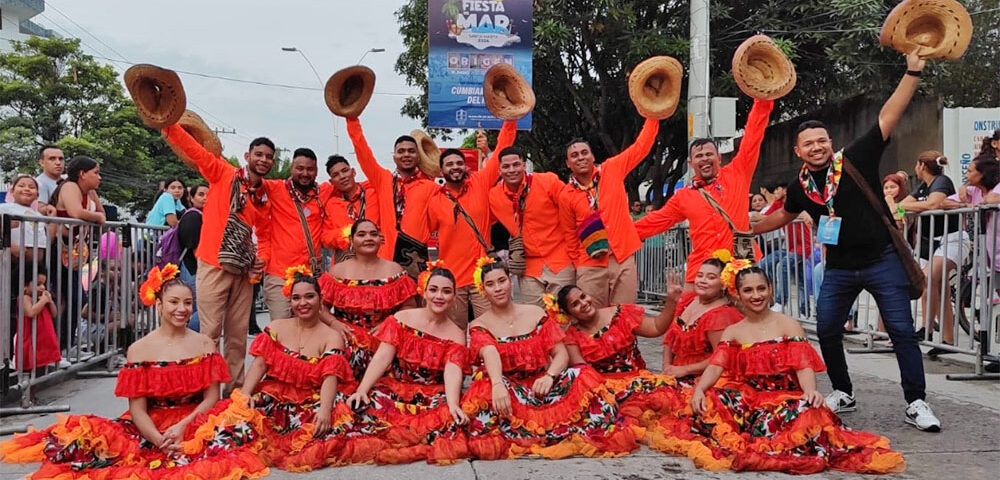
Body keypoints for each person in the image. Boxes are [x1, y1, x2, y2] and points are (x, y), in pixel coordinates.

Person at [752, 49, 940, 431]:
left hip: (882, 260)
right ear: (798, 151)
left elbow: (889, 115)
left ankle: (916, 401)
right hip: (838, 269)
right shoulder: (800, 187)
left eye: (822, 141)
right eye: (809, 144)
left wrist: (913, 71)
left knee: (902, 330)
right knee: (828, 328)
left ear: (829, 141)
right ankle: (843, 392)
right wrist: (745, 227)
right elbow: (781, 216)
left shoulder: (855, 157)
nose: (817, 147)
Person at [0, 265, 268, 480]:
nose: (182, 309)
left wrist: (184, 427)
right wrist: (158, 439)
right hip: (151, 424)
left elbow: (212, 398)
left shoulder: (205, 343)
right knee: (95, 449)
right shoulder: (139, 349)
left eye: (187, 303)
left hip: (198, 420)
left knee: (238, 431)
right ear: (158, 304)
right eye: (173, 302)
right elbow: (138, 409)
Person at [650, 265, 905, 474]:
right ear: (738, 294)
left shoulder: (788, 325)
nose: (756, 295)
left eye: (761, 288)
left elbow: (802, 364)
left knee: (808, 411)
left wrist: (810, 391)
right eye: (748, 290)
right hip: (749, 397)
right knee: (712, 402)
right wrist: (699, 390)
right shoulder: (734, 330)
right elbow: (716, 366)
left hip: (783, 397)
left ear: (770, 290)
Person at [461, 259, 638, 459]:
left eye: (502, 281)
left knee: (582, 373)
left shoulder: (536, 313)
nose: (498, 288)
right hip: (509, 392)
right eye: (490, 284)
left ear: (510, 281)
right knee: (483, 387)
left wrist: (550, 376)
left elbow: (560, 353)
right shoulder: (478, 324)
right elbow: (489, 351)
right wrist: (497, 384)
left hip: (543, 388)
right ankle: (532, 431)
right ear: (483, 289)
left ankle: (552, 430)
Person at [162, 124, 274, 391]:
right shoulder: (223, 173)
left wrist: (262, 259)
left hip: (244, 272)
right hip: (212, 264)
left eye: (269, 157)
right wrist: (168, 124)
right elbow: (195, 150)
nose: (264, 160)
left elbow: (266, 235)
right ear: (248, 156)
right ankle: (203, 391)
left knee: (237, 337)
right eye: (259, 154)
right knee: (209, 332)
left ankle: (233, 391)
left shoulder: (264, 196)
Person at [243, 269, 376, 470]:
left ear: (320, 300)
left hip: (312, 398)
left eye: (309, 296)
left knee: (321, 439)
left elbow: (329, 377)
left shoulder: (332, 337)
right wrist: (245, 393)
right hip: (276, 395)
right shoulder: (277, 326)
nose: (302, 303)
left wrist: (324, 410)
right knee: (239, 425)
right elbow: (260, 364)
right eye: (296, 298)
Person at [635, 98, 773, 290]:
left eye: (709, 154)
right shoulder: (683, 196)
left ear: (719, 157)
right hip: (701, 268)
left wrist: (763, 100)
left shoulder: (738, 172)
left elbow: (753, 135)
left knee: (746, 315)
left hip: (740, 263)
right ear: (691, 164)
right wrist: (614, 235)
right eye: (699, 156)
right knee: (687, 315)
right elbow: (654, 222)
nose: (705, 158)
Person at [346, 264, 470, 465]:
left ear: (454, 297)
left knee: (447, 419)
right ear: (424, 292)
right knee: (363, 407)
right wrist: (362, 389)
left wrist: (454, 404)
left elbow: (452, 372)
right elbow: (382, 357)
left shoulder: (456, 334)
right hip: (395, 388)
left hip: (430, 394)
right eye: (434, 289)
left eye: (446, 291)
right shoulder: (401, 319)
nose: (439, 296)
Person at [560, 116, 660, 307]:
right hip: (590, 265)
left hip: (622, 259)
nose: (580, 157)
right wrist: (579, 265)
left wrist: (653, 116)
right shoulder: (566, 195)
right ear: (568, 164)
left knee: (624, 317)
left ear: (592, 157)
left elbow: (641, 147)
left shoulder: (612, 169)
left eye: (584, 153)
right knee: (592, 322)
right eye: (574, 155)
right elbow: (569, 235)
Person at [558, 277, 683, 427]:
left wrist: (671, 301)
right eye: (575, 304)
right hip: (604, 388)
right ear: (570, 314)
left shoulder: (621, 313)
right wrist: (604, 394)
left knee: (666, 400)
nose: (583, 303)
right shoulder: (572, 337)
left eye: (583, 296)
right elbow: (584, 374)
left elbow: (656, 327)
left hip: (638, 382)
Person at [426, 121, 515, 327]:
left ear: (465, 166)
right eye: (449, 164)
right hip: (452, 279)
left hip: (484, 278)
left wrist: (511, 119)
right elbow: (422, 233)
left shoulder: (480, 182)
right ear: (442, 170)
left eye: (459, 163)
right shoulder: (434, 199)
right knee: (453, 332)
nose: (455, 167)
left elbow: (502, 148)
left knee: (493, 328)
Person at [319, 219, 417, 380]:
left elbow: (409, 307)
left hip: (385, 339)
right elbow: (319, 306)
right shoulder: (338, 271)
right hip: (347, 338)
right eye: (361, 234)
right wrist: (333, 323)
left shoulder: (394, 269)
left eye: (373, 234)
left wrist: (390, 323)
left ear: (380, 239)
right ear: (352, 241)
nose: (368, 238)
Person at [344, 119, 439, 271]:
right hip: (385, 258)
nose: (406, 155)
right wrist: (352, 120)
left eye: (411, 151)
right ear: (394, 156)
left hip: (416, 262)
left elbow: (441, 220)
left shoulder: (430, 188)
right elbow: (363, 152)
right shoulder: (383, 179)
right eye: (401, 151)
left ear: (418, 157)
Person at [487, 146, 574, 306]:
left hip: (560, 259)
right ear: (499, 170)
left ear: (524, 165)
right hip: (527, 266)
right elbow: (483, 222)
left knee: (563, 317)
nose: (511, 170)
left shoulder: (547, 181)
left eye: (516, 164)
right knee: (534, 319)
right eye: (506, 166)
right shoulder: (494, 195)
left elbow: (573, 204)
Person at [898, 151, 968, 348]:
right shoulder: (924, 186)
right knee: (941, 288)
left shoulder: (941, 181)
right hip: (932, 242)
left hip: (951, 240)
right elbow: (902, 205)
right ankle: (948, 340)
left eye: (916, 165)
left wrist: (920, 206)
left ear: (921, 166)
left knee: (927, 278)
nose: (915, 169)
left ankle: (926, 329)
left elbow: (934, 203)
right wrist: (919, 206)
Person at [257, 148, 332, 319]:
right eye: (300, 168)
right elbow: (245, 180)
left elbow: (352, 184)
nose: (305, 173)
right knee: (282, 330)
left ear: (316, 171)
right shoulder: (275, 188)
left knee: (311, 330)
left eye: (310, 169)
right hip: (279, 275)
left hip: (312, 275)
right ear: (291, 168)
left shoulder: (324, 192)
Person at [48, 156, 106, 355]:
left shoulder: (89, 192)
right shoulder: (70, 186)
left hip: (73, 252)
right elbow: (75, 211)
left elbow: (102, 213)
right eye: (96, 173)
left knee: (74, 297)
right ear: (82, 174)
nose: (99, 178)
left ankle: (66, 345)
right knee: (67, 297)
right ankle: (59, 346)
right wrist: (96, 217)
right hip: (57, 248)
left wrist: (97, 214)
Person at [660, 255, 743, 383]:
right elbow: (669, 340)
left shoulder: (722, 314)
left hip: (703, 378)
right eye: (699, 276)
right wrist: (666, 367)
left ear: (723, 284)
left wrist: (685, 370)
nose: (702, 281)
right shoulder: (686, 301)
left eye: (711, 277)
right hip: (675, 373)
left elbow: (721, 356)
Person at [14, 271, 66, 371]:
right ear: (25, 286)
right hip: (30, 336)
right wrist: (43, 301)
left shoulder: (41, 298)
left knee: (43, 359)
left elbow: (54, 313)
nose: (42, 287)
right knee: (31, 361)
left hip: (43, 337)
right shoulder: (25, 298)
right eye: (38, 284)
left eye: (43, 284)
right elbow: (30, 312)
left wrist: (50, 301)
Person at [0, 175, 49, 264]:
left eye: (32, 187)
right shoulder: (4, 208)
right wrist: (10, 245)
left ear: (37, 195)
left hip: (34, 266)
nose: (27, 189)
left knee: (40, 277)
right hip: (11, 262)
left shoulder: (38, 215)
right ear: (12, 191)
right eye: (21, 186)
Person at [178, 184, 207, 331]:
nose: (205, 198)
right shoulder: (193, 216)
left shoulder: (201, 215)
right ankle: (187, 336)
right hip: (193, 269)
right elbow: (194, 246)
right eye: (201, 195)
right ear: (191, 197)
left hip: (196, 269)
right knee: (203, 310)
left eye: (208, 195)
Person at [34, 145, 64, 215]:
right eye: (52, 159)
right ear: (41, 162)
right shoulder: (39, 183)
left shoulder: (68, 180)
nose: (58, 163)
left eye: (61, 159)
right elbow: (40, 209)